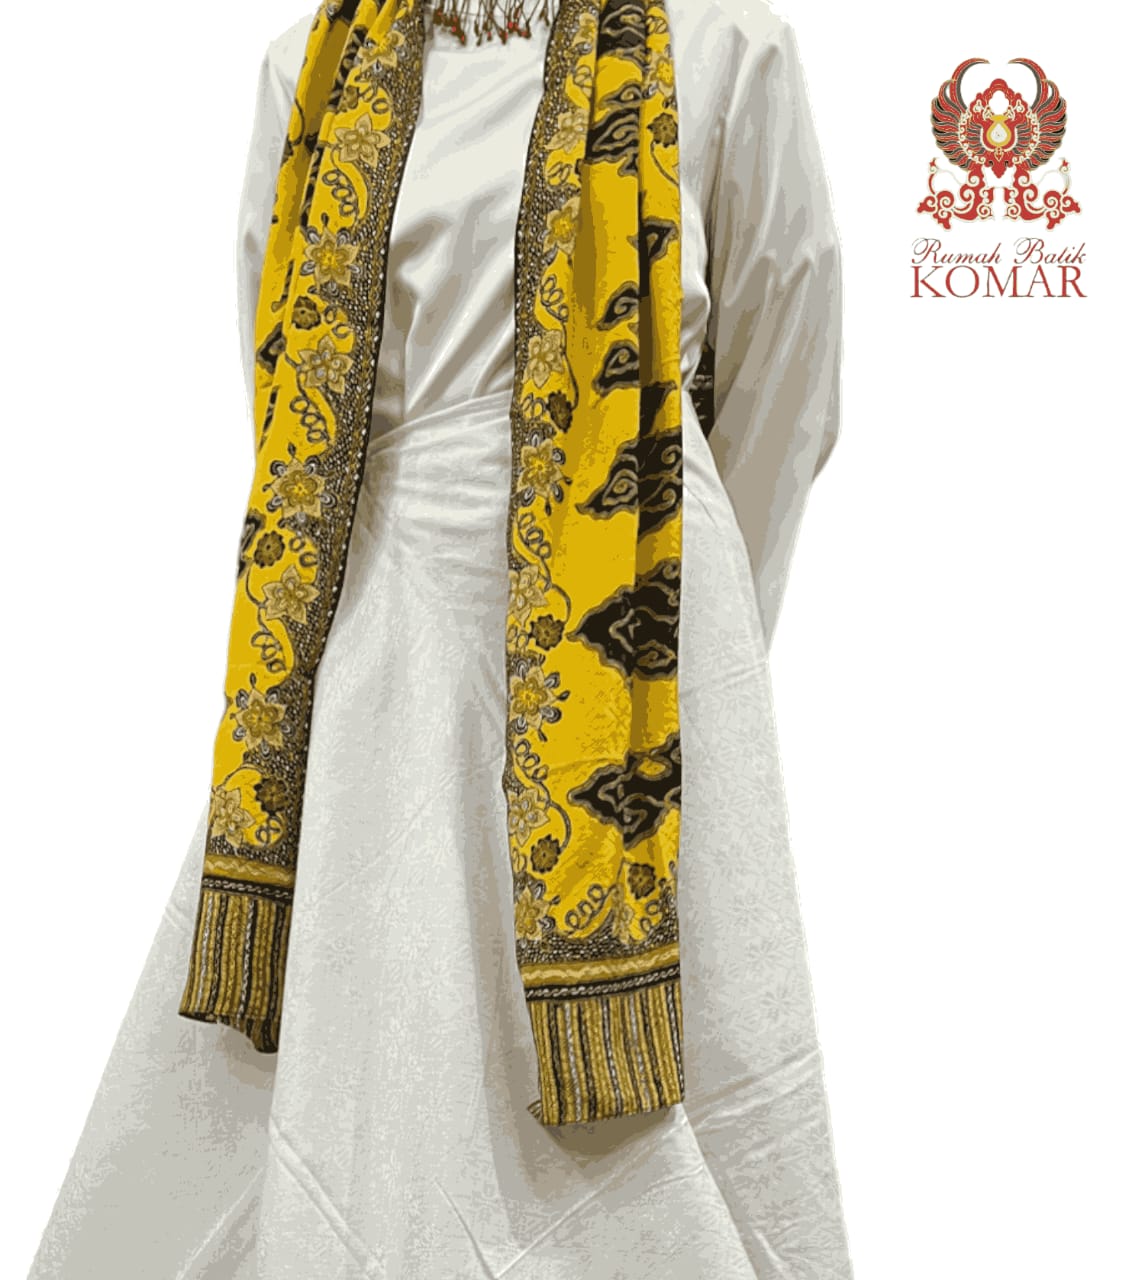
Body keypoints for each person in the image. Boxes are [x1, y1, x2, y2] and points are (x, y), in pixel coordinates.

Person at [28, 0, 853, 1274]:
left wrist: (677, 656)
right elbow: (286, 397)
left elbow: (784, 370)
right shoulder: (308, 71)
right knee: (382, 1029)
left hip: (636, 652)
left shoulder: (720, 44)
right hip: (392, 627)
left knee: (681, 1084)